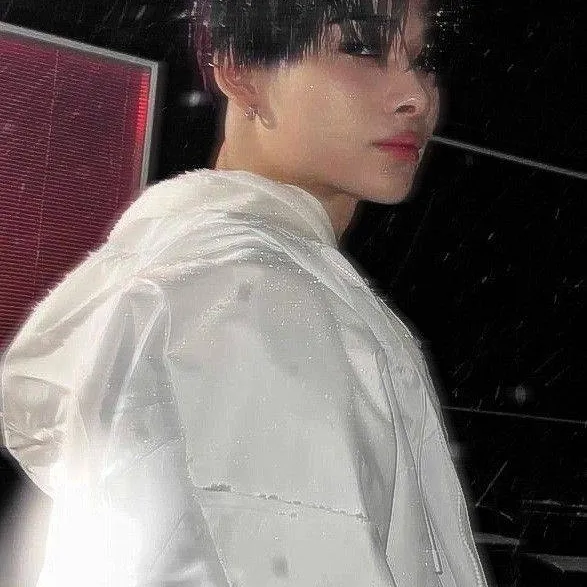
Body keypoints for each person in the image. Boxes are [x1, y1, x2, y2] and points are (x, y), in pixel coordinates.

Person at [1, 0, 489, 586]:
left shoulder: (190, 275)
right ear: (239, 69)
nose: (417, 96)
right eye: (361, 47)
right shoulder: (253, 297)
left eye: (423, 58)